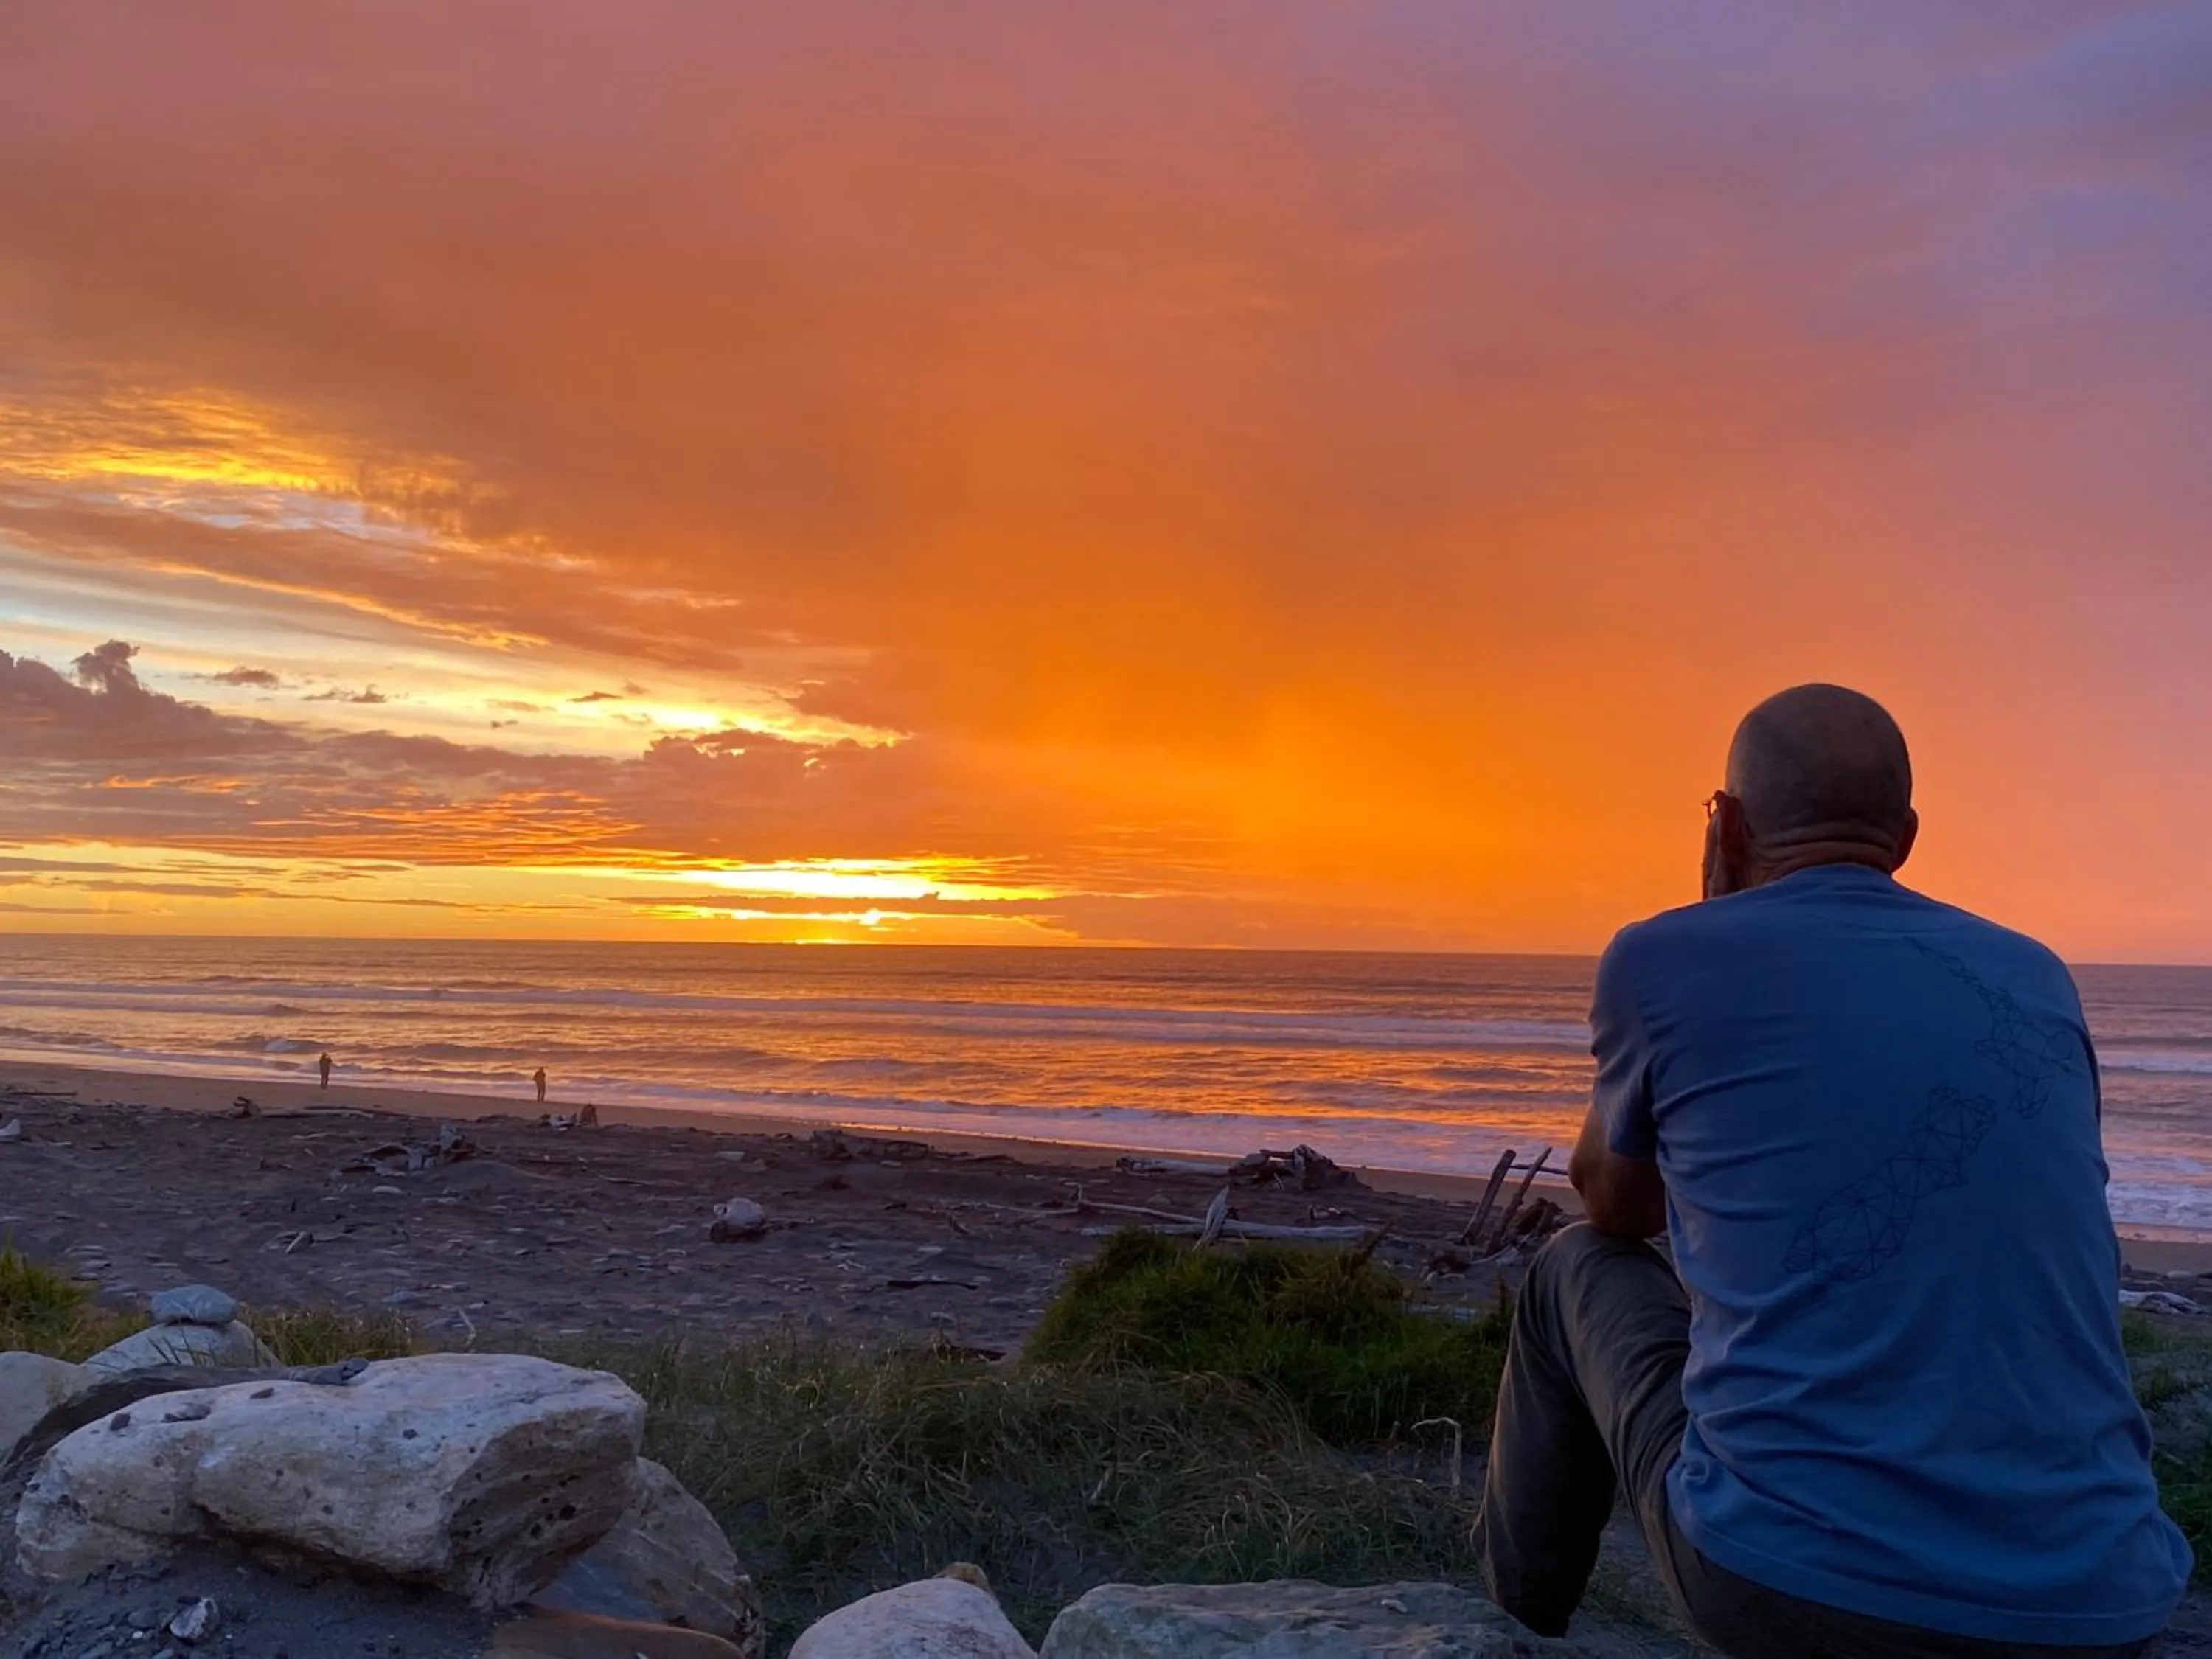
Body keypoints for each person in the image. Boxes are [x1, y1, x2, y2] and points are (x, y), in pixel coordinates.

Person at [1475, 684, 2188, 1658]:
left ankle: (1511, 1630)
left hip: (1798, 1593)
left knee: (1570, 1269)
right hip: (2103, 1599)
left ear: (1725, 824)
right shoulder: (2035, 974)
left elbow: (1617, 1204)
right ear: (1904, 835)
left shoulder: (1661, 957)